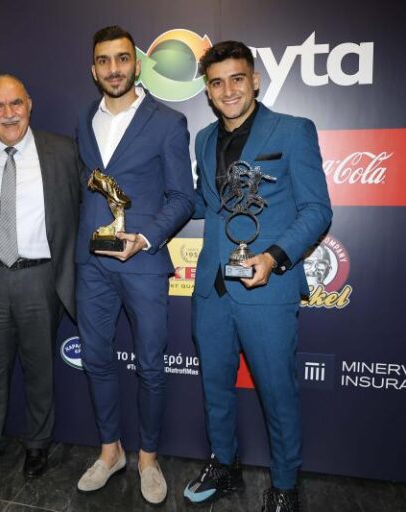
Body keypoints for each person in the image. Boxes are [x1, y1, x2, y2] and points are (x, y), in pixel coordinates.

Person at [183, 41, 332, 512]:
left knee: (277, 392)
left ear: (255, 80)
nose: (227, 90)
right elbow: (206, 203)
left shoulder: (293, 130)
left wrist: (273, 258)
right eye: (216, 83)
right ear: (207, 91)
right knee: (215, 387)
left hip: (268, 287)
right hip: (212, 288)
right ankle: (224, 464)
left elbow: (317, 210)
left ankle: (285, 486)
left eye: (236, 79)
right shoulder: (203, 139)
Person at [75, 25, 194, 505]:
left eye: (122, 59)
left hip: (143, 262)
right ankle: (111, 452)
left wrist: (144, 238)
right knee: (96, 358)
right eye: (104, 61)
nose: (114, 69)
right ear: (93, 69)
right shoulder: (85, 118)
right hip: (92, 264)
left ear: (137, 64)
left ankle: (148, 457)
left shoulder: (167, 122)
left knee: (150, 365)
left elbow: (183, 197)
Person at [0, 74, 80, 479]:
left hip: (39, 277)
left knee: (39, 367)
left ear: (29, 105)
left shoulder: (62, 151)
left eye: (15, 103)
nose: (8, 113)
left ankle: (37, 444)